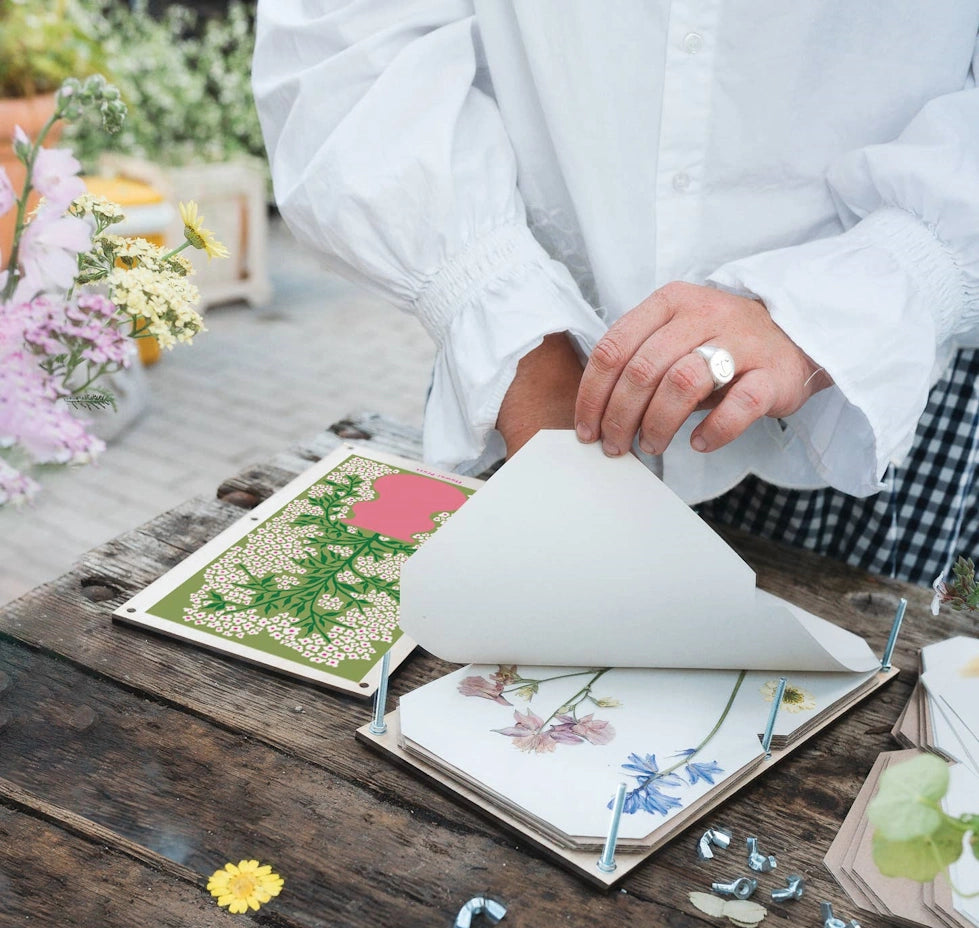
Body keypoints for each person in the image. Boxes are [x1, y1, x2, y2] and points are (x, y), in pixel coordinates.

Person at [252, 2, 979, 585]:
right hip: (535, 372)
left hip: (866, 406)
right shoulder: (523, 349)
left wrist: (869, 290)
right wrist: (512, 326)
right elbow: (343, 40)